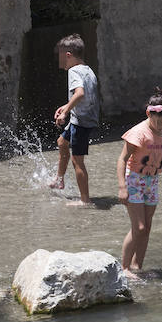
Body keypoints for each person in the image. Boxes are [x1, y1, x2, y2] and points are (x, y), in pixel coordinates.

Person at [116, 87, 162, 279]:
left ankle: (137, 266)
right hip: (134, 180)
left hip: (152, 181)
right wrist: (122, 187)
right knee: (139, 227)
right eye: (159, 120)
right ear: (149, 113)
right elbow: (122, 159)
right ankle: (124, 268)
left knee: (147, 227)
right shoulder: (138, 133)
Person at [48, 33, 100, 206]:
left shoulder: (73, 71)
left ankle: (85, 200)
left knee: (77, 161)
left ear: (68, 55)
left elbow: (80, 94)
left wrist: (65, 113)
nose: (59, 60)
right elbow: (85, 97)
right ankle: (59, 180)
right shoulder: (88, 70)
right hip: (84, 118)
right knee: (62, 142)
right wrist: (66, 107)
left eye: (60, 56)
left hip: (82, 122)